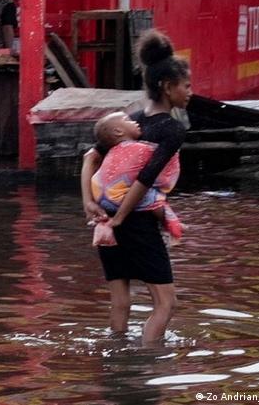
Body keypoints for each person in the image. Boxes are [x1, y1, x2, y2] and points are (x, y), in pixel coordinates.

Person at [79, 29, 192, 346]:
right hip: (135, 222)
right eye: (186, 85)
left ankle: (114, 364)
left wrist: (88, 203)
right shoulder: (172, 129)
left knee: (121, 302)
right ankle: (146, 364)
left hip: (105, 222)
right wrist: (121, 218)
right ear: (167, 87)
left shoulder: (130, 122)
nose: (190, 92)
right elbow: (145, 179)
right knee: (166, 303)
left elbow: (90, 158)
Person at [90, 111, 185, 246]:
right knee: (155, 198)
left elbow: (90, 159)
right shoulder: (140, 148)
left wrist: (89, 201)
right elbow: (163, 159)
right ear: (118, 131)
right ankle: (172, 225)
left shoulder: (112, 151)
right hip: (116, 199)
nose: (136, 122)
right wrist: (174, 150)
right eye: (128, 121)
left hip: (100, 198)